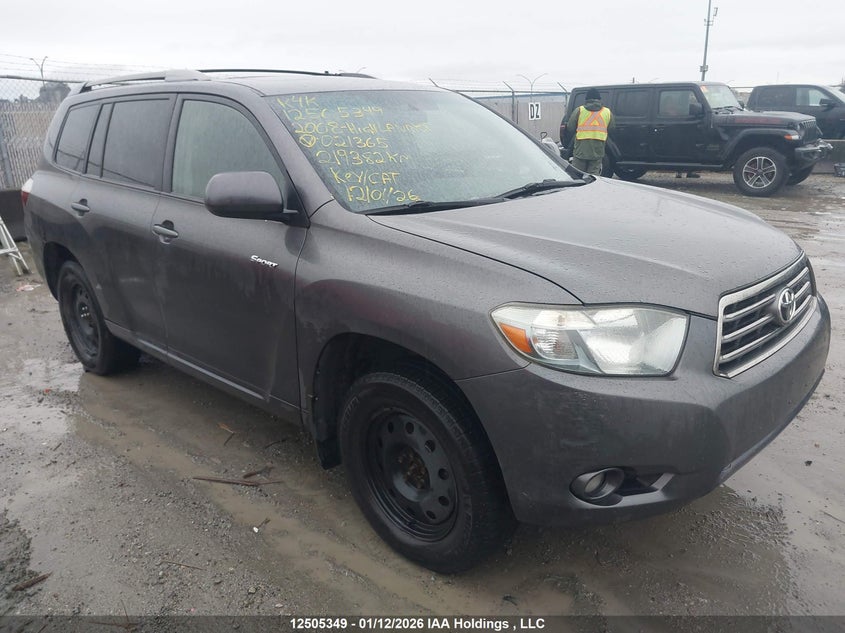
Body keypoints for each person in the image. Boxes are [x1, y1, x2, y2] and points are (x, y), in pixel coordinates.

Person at [566, 88, 613, 176]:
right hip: (598, 149)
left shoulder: (579, 110)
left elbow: (570, 127)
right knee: (593, 176)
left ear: (587, 99)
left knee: (577, 175)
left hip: (581, 149)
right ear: (599, 99)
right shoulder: (607, 112)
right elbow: (611, 128)